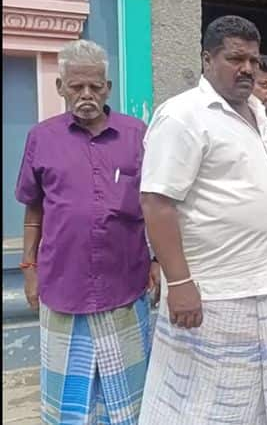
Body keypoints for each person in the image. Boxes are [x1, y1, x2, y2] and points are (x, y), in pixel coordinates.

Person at [137, 15, 267, 424]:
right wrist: (179, 284)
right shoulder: (183, 115)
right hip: (215, 295)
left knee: (264, 402)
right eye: (235, 58)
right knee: (206, 407)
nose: (246, 67)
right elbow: (157, 202)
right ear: (207, 59)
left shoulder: (261, 116)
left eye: (253, 59)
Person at [14, 39, 158, 425]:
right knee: (68, 402)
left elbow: (154, 205)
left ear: (108, 88)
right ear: (61, 87)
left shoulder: (136, 134)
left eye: (95, 86)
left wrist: (158, 260)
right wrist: (29, 267)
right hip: (63, 283)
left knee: (127, 398)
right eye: (77, 87)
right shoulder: (41, 138)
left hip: (124, 284)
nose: (86, 95)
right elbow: (33, 206)